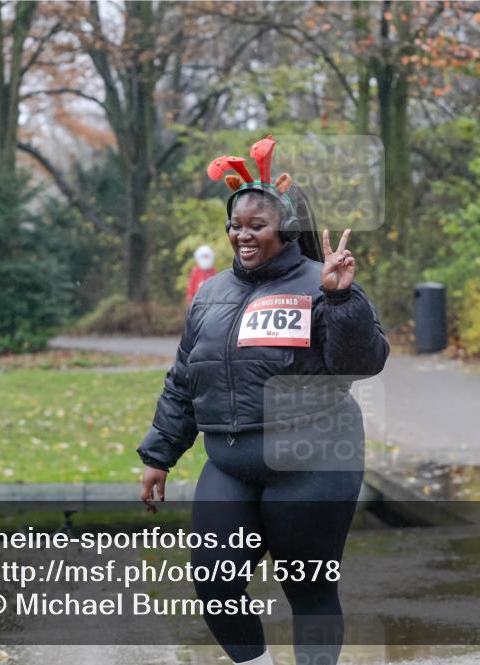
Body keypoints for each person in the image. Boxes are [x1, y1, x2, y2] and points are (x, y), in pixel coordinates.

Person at [136, 134, 390, 665]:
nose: (241, 235)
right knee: (213, 583)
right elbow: (185, 377)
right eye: (235, 225)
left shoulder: (320, 283)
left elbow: (361, 362)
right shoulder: (210, 295)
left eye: (257, 225)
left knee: (310, 593)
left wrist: (342, 298)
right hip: (231, 462)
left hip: (314, 461)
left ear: (287, 229)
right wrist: (160, 455)